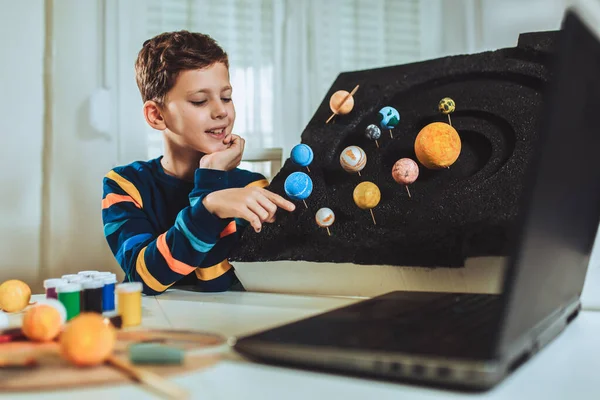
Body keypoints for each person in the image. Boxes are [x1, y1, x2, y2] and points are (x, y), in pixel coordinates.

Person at [101, 31, 295, 295]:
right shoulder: (125, 185)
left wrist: (211, 183)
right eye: (199, 101)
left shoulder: (252, 189)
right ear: (156, 115)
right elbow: (145, 278)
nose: (221, 111)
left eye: (226, 97)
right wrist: (211, 204)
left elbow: (218, 285)